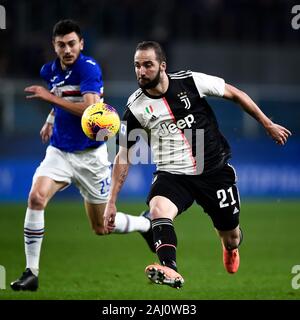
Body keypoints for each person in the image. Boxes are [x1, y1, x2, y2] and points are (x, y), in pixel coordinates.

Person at [104, 41, 292, 289]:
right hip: (173, 175)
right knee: (158, 209)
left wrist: (267, 124)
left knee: (232, 236)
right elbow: (123, 156)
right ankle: (170, 268)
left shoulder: (191, 81)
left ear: (162, 66)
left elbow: (235, 94)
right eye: (137, 66)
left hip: (214, 171)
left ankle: (230, 248)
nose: (141, 71)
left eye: (147, 65)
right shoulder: (135, 108)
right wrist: (111, 201)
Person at [10, 20, 154, 292]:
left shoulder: (88, 69)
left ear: (81, 44)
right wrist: (51, 118)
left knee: (101, 228)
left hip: (91, 157)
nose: (67, 49)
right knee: (36, 197)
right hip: (60, 151)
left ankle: (145, 224)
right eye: (61, 44)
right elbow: (59, 91)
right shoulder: (50, 70)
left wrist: (50, 101)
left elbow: (90, 111)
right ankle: (31, 272)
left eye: (72, 43)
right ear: (54, 46)